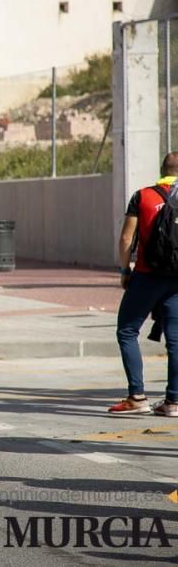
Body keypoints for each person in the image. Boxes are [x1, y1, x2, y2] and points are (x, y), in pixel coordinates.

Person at [109, 152, 178, 416]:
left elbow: (127, 238)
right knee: (175, 339)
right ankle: (173, 402)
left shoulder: (143, 196)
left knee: (127, 330)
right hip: (177, 280)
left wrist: (125, 269)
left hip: (148, 275)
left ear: (162, 169)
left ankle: (137, 396)